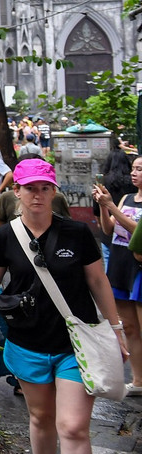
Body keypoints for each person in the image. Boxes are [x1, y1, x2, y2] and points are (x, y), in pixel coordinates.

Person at [0, 159, 128, 454]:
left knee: (73, 426)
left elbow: (98, 282)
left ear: (54, 191)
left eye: (44, 188)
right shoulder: (6, 236)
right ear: (16, 192)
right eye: (30, 188)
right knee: (40, 418)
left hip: (75, 345)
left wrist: (116, 328)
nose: (37, 195)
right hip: (26, 343)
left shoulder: (77, 233)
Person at [92, 155, 142, 395]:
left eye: (140, 169)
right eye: (134, 168)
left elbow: (138, 230)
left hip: (139, 267)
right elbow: (109, 229)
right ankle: (138, 380)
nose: (134, 173)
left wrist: (111, 206)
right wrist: (104, 206)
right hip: (120, 264)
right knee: (130, 327)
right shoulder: (127, 198)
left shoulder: (121, 202)